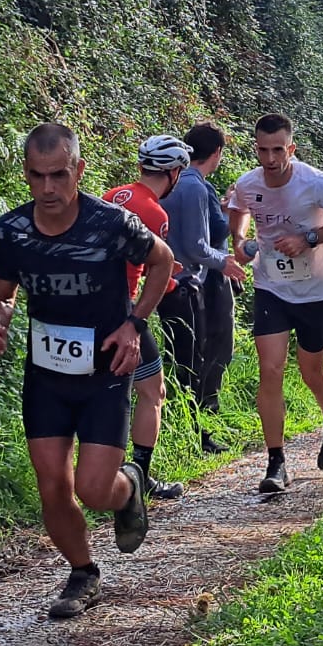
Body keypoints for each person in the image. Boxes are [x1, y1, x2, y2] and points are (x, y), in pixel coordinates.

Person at [0, 123, 176, 620]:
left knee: (92, 488)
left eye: (59, 175)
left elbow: (163, 261)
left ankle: (128, 485)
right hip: (46, 373)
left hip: (105, 368)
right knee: (51, 483)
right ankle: (82, 572)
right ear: (25, 175)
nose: (48, 188)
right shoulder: (12, 230)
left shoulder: (111, 223)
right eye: (37, 176)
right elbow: (3, 294)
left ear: (78, 171)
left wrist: (134, 324)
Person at [228, 113, 323, 493]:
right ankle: (276, 463)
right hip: (271, 286)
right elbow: (237, 209)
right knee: (269, 370)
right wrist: (240, 242)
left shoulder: (317, 183)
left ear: (291, 149)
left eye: (277, 150)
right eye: (262, 150)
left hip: (314, 290)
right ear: (255, 148)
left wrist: (310, 237)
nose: (270, 159)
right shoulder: (248, 183)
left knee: (311, 374)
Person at [103, 134, 197, 502]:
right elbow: (150, 274)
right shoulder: (156, 214)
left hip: (93, 303)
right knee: (152, 392)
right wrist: (169, 282)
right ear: (173, 173)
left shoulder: (113, 194)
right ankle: (139, 477)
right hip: (123, 309)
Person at [164, 121, 247, 455]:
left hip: (177, 282)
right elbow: (199, 245)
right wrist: (225, 261)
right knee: (207, 355)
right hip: (196, 281)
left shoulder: (179, 184)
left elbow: (206, 231)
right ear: (217, 153)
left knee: (186, 358)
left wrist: (226, 210)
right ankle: (200, 428)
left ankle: (189, 425)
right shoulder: (195, 187)